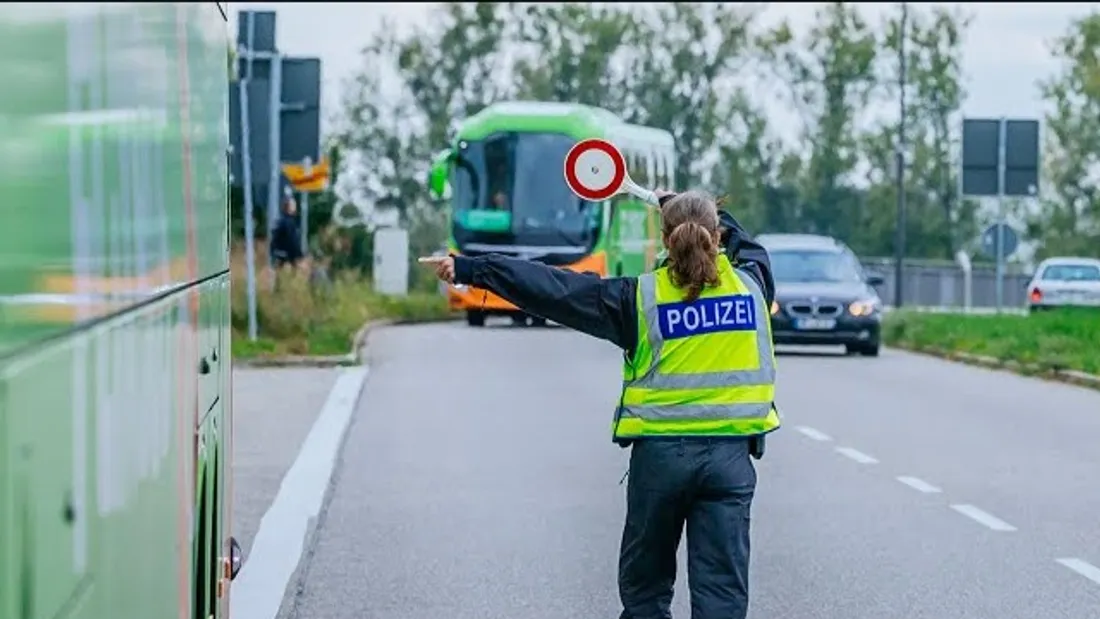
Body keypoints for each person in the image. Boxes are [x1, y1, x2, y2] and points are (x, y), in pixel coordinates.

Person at [419, 190, 780, 619]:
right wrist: (681, 201)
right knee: (722, 593)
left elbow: (553, 289)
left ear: (665, 240)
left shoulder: (639, 299)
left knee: (645, 590)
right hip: (730, 462)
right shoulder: (753, 287)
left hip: (661, 463)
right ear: (717, 236)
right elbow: (751, 246)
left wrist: (472, 268)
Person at [270, 193, 304, 269]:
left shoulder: (280, 221)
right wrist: (299, 255)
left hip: (279, 256)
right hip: (288, 258)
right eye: (293, 205)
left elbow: (274, 241)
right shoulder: (289, 223)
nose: (295, 207)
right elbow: (292, 241)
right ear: (288, 207)